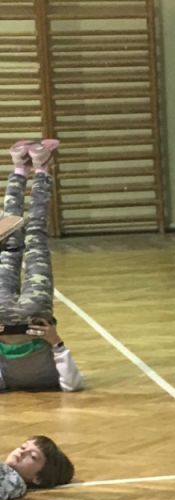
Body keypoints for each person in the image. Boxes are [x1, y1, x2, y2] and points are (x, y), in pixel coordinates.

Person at [0, 139, 84, 392]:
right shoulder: (7, 384)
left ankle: (40, 168)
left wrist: (56, 342)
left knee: (35, 235)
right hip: (5, 318)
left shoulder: (48, 383)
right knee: (11, 242)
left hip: (35, 321)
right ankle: (19, 167)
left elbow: (72, 385)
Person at [1, 435, 75, 500]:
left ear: (39, 478)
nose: (22, 452)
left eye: (33, 456)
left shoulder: (14, 483)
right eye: (23, 447)